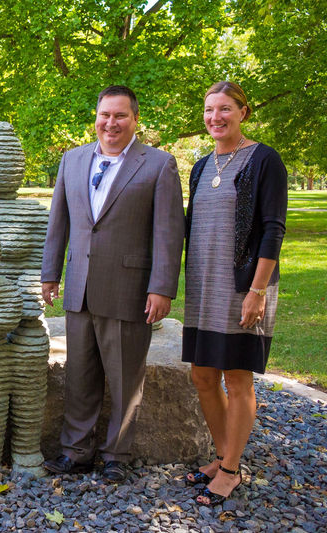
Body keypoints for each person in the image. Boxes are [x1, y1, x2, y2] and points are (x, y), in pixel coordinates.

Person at [40, 85, 185, 483]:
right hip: (80, 288)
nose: (111, 123)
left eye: (120, 116)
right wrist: (50, 274)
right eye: (105, 115)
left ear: (135, 120)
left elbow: (169, 234)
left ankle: (116, 455)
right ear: (97, 117)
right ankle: (75, 452)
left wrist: (162, 288)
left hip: (131, 291)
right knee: (79, 375)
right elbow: (59, 223)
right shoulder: (72, 160)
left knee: (125, 379)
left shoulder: (159, 165)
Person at [182, 81, 287, 506]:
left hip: (245, 286)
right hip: (203, 287)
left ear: (243, 112)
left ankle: (229, 470)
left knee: (237, 378)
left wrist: (257, 290)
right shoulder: (201, 165)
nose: (215, 118)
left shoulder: (264, 160)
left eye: (224, 109)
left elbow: (273, 230)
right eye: (209, 110)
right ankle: (224, 455)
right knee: (202, 376)